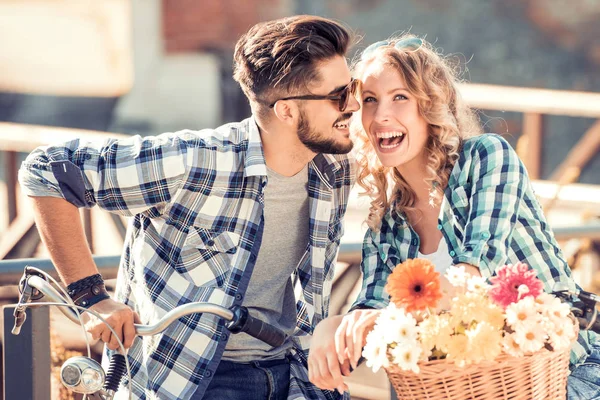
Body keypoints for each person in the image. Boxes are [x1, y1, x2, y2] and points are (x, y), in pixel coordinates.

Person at [18, 15, 360, 400]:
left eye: (353, 88)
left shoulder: (333, 169)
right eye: (338, 96)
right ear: (286, 111)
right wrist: (91, 296)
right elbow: (45, 171)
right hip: (193, 380)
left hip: (293, 374)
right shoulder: (195, 160)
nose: (354, 105)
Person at [308, 34, 600, 399]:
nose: (381, 115)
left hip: (564, 377)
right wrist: (330, 329)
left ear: (431, 104)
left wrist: (381, 321)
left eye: (400, 97)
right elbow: (370, 308)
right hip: (468, 389)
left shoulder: (485, 159)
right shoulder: (388, 220)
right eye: (369, 100)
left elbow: (471, 280)